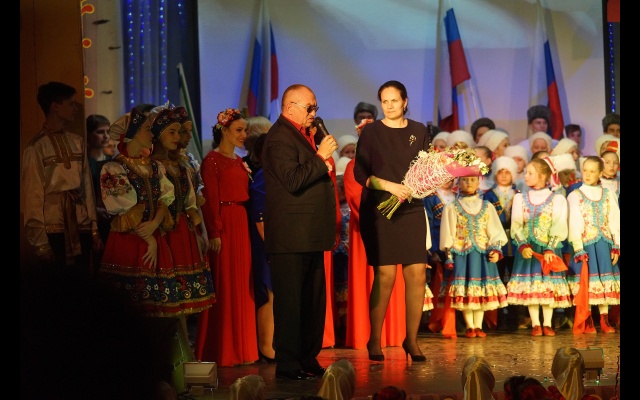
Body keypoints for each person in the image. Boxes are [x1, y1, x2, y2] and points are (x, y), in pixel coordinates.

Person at [261, 84, 339, 380]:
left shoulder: (305, 134)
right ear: (289, 107)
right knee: (291, 303)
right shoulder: (279, 138)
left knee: (312, 302)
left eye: (316, 107)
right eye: (309, 108)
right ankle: (289, 363)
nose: (314, 113)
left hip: (310, 233)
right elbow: (293, 180)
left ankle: (308, 357)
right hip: (290, 236)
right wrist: (320, 157)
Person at [353, 80, 433, 362]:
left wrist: (428, 183)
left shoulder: (419, 130)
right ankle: (374, 340)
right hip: (380, 209)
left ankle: (411, 340)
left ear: (405, 101)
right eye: (384, 101)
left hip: (411, 207)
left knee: (417, 273)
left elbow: (425, 168)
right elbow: (360, 173)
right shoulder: (371, 131)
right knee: (385, 275)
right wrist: (389, 186)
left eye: (394, 101)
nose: (389, 106)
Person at [21, 81, 102, 273]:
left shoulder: (77, 142)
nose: (75, 108)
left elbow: (87, 188)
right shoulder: (36, 147)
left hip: (81, 224)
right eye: (71, 103)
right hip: (54, 227)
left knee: (82, 280)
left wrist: (94, 229)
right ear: (55, 106)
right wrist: (41, 243)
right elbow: (33, 196)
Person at [199, 108, 258, 367]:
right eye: (239, 130)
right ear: (224, 130)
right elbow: (210, 199)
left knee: (242, 283)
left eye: (245, 130)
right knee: (225, 284)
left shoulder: (237, 160)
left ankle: (243, 348)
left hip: (240, 221)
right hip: (224, 222)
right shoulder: (212, 161)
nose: (244, 134)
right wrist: (214, 231)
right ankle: (224, 349)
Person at [344, 118, 406, 351]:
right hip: (367, 229)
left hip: (391, 228)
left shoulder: (392, 164)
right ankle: (368, 335)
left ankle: (393, 334)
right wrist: (385, 214)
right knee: (370, 281)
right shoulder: (353, 166)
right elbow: (355, 200)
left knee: (391, 280)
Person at [506, 157, 572, 337]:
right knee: (532, 286)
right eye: (526, 172)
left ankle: (547, 323)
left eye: (530, 173)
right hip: (529, 250)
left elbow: (559, 225)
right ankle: (536, 323)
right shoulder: (520, 198)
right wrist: (522, 245)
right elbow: (516, 224)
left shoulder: (557, 199)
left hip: (549, 249)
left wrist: (551, 248)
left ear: (542, 176)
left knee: (547, 286)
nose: (526, 176)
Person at [440, 173, 509, 338]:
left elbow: (495, 231)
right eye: (464, 180)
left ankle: (478, 325)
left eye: (472, 180)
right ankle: (470, 326)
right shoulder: (452, 207)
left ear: (479, 182)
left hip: (483, 253)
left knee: (480, 290)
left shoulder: (487, 206)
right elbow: (448, 232)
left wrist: (496, 249)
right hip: (462, 254)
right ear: (459, 182)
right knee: (466, 289)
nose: (469, 183)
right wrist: (449, 254)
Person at [566, 156, 620, 334]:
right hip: (586, 245)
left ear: (600, 173)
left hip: (604, 243)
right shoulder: (575, 195)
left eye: (592, 171)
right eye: (585, 170)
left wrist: (616, 244)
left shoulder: (608, 194)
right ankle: (588, 317)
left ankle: (604, 318)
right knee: (587, 281)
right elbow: (574, 222)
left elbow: (614, 220)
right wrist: (578, 247)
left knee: (604, 280)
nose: (588, 174)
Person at [248, 133, 277, 362]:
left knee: (275, 293)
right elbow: (259, 214)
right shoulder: (262, 176)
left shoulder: (273, 173)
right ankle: (266, 346)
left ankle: (272, 343)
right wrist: (270, 244)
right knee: (269, 293)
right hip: (267, 242)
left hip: (276, 239)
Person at [86, 114, 113, 263]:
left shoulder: (112, 162)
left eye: (108, 132)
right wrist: (95, 210)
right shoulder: (84, 164)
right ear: (89, 134)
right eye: (100, 132)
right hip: (91, 221)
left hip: (111, 220)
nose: (106, 136)